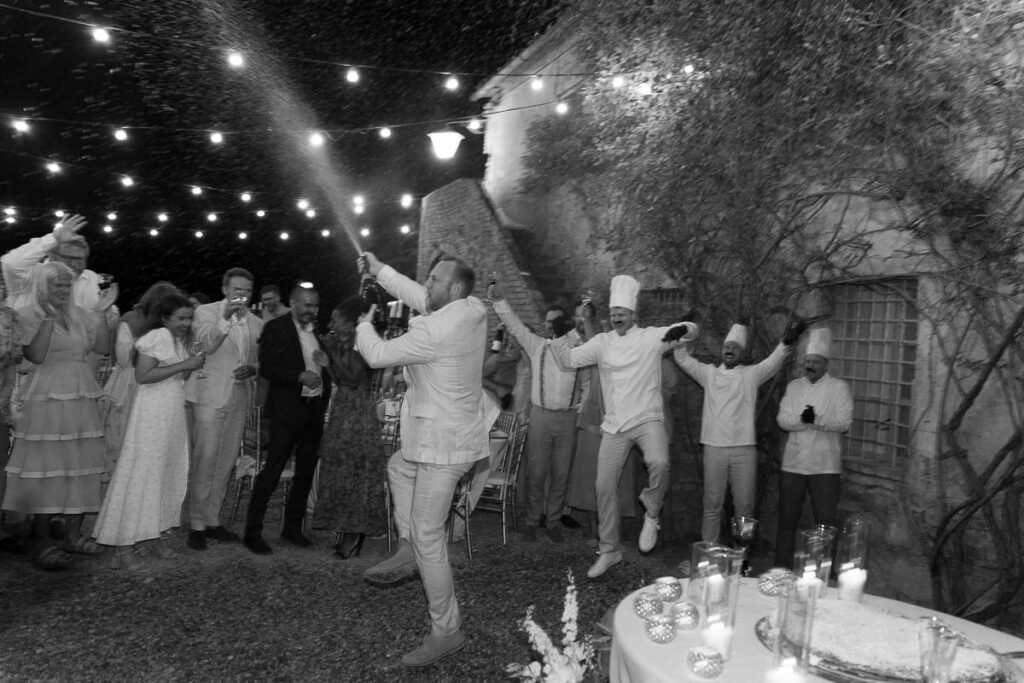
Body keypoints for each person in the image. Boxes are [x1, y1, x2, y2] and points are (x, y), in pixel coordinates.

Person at [355, 251, 489, 668]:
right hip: (450, 438)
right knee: (397, 467)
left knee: (430, 537)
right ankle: (409, 543)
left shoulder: (434, 330)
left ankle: (447, 631)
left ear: (455, 288)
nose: (426, 284)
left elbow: (376, 355)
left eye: (434, 279)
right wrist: (380, 270)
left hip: (440, 448)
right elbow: (421, 297)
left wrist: (363, 325)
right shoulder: (472, 308)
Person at [551, 275, 697, 578]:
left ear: (633, 314)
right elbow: (567, 361)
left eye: (622, 312)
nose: (617, 317)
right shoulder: (602, 343)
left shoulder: (651, 337)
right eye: (613, 312)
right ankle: (609, 550)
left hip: (647, 419)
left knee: (659, 462)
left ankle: (652, 511)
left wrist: (683, 329)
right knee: (603, 486)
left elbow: (691, 331)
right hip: (615, 427)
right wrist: (560, 334)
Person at [2, 262, 116, 570]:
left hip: (79, 395)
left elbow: (103, 348)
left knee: (79, 466)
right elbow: (35, 355)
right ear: (43, 286)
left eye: (67, 285)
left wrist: (101, 313)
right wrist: (49, 318)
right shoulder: (27, 314)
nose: (65, 290)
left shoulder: (78, 314)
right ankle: (40, 539)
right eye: (58, 285)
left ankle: (71, 534)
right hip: (47, 397)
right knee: (47, 469)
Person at [93, 293, 205, 572]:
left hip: (171, 411)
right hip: (152, 412)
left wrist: (190, 363)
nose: (185, 323)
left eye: (189, 318)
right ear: (164, 318)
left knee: (164, 472)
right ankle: (123, 546)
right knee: (143, 473)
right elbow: (143, 376)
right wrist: (185, 364)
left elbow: (178, 377)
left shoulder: (178, 339)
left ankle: (153, 534)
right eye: (180, 318)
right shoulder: (157, 336)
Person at [673, 318, 803, 544]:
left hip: (744, 450)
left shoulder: (751, 375)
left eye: (735, 347)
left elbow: (773, 362)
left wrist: (785, 342)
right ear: (722, 351)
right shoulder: (709, 374)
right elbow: (682, 359)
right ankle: (709, 553)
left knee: (745, 508)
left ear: (742, 354)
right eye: (727, 346)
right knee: (712, 505)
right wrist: (679, 336)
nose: (730, 349)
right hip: (714, 448)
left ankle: (741, 554)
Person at [243, 284, 329, 554]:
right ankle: (252, 532)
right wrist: (298, 376)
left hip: (313, 411)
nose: (312, 310)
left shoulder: (317, 330)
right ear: (293, 303)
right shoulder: (275, 328)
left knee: (305, 472)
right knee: (273, 470)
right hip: (286, 412)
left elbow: (323, 366)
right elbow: (268, 367)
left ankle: (292, 528)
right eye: (307, 305)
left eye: (315, 305)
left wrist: (326, 365)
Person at [185, 268, 262, 550]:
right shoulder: (204, 313)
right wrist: (225, 317)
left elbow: (260, 359)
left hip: (239, 395)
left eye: (247, 291)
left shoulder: (257, 322)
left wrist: (252, 369)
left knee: (226, 461)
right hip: (209, 395)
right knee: (205, 458)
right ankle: (196, 523)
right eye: (237, 290)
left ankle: (212, 519)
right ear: (224, 289)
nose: (242, 295)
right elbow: (205, 345)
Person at [491, 291, 578, 542]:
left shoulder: (578, 349)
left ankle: (553, 522)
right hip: (540, 416)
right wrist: (499, 300)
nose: (550, 326)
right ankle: (531, 521)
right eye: (548, 322)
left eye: (555, 322)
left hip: (568, 418)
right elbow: (515, 326)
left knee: (561, 474)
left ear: (565, 324)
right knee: (536, 472)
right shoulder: (537, 345)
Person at [312, 297, 386, 559]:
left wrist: (330, 353)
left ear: (350, 320)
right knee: (340, 468)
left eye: (335, 319)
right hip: (344, 407)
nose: (330, 324)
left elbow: (354, 378)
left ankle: (354, 532)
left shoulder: (363, 342)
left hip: (358, 412)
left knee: (354, 469)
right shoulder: (345, 342)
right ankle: (346, 527)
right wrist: (328, 364)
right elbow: (342, 379)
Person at [774, 327, 853, 568]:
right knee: (787, 522)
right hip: (793, 464)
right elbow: (782, 419)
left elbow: (844, 423)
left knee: (825, 525)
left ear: (826, 364)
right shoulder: (794, 387)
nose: (810, 366)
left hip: (825, 466)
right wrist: (803, 420)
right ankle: (782, 570)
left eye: (815, 362)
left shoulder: (839, 387)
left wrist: (817, 419)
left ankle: (822, 573)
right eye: (807, 361)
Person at [100, 282, 182, 483]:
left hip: (161, 389)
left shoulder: (175, 328)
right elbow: (122, 359)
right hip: (129, 389)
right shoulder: (130, 320)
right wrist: (148, 340)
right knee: (122, 443)